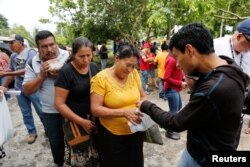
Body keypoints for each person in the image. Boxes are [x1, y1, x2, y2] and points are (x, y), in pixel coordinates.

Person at [137, 23, 249, 167]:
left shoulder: (214, 88)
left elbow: (176, 123)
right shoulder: (229, 65)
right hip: (200, 148)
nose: (177, 64)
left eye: (177, 57)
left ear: (190, 50)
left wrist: (146, 105)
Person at [91, 45, 146, 167]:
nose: (130, 70)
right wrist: (124, 113)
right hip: (112, 137)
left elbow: (143, 96)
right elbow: (95, 109)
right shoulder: (100, 79)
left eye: (134, 66)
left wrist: (143, 105)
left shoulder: (134, 74)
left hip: (135, 131)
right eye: (128, 65)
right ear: (116, 58)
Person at [22, 30, 69, 166]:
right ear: (38, 48)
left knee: (77, 139)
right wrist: (42, 76)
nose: (49, 49)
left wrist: (62, 73)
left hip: (72, 108)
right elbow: (27, 90)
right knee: (56, 142)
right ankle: (59, 163)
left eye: (52, 44)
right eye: (44, 46)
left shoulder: (68, 56)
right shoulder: (32, 62)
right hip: (50, 111)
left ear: (56, 44)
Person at [54, 37, 99, 166]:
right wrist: (82, 122)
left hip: (94, 120)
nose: (86, 60)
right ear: (73, 54)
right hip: (76, 123)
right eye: (81, 56)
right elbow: (59, 104)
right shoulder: (66, 72)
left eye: (89, 55)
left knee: (97, 155)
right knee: (80, 157)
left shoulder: (94, 67)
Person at [0, 34, 44, 144]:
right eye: (9, 43)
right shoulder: (14, 56)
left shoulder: (31, 53)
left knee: (41, 110)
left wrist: (5, 73)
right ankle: (32, 132)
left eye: (12, 42)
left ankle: (48, 129)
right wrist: (4, 86)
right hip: (20, 88)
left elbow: (26, 70)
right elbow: (11, 73)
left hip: (33, 87)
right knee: (25, 112)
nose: (10, 45)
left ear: (21, 42)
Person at [214, 18, 250, 135]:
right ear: (239, 36)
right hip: (214, 112)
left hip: (236, 115)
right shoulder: (216, 45)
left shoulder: (248, 53)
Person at [163, 53, 186, 140]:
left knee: (178, 106)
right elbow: (166, 77)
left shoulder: (175, 58)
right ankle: (169, 131)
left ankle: (164, 121)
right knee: (174, 111)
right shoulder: (172, 60)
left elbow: (176, 72)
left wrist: (182, 77)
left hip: (175, 89)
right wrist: (180, 83)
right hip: (171, 89)